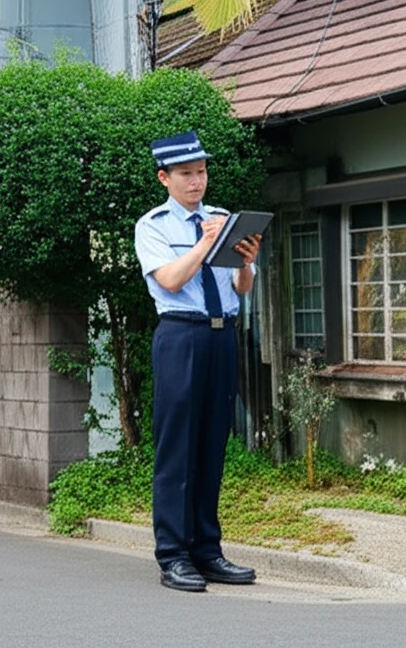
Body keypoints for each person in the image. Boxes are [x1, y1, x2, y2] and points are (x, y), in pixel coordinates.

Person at [134, 131, 262, 592]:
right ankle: (173, 555)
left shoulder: (224, 219)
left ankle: (208, 551)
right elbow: (169, 280)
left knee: (211, 445)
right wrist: (205, 246)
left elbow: (243, 289)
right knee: (177, 448)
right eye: (186, 174)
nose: (197, 182)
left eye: (202, 172)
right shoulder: (152, 226)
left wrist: (246, 260)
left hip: (221, 336)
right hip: (181, 336)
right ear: (164, 177)